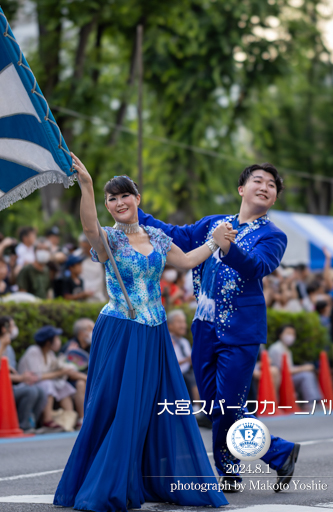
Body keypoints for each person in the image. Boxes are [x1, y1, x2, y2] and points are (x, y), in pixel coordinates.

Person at [54, 156, 231, 510]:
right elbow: (90, 228)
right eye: (111, 199)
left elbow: (187, 261)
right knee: (118, 406)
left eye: (124, 196)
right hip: (121, 328)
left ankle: (148, 479)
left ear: (138, 199)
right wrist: (86, 185)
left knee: (155, 407)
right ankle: (105, 483)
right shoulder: (108, 239)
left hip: (154, 331)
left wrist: (213, 243)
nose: (118, 203)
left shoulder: (157, 237)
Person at [138, 162, 301, 492]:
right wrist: (135, 213)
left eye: (271, 185)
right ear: (242, 189)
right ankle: (260, 460)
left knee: (226, 405)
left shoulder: (273, 235)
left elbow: (257, 267)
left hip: (241, 331)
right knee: (215, 408)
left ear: (273, 199)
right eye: (258, 181)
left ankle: (251, 462)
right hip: (204, 327)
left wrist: (226, 246)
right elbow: (177, 236)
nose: (265, 187)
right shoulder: (214, 223)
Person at [0, 317, 47, 431]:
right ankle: (23, 425)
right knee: (30, 391)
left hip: (10, 386)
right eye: (12, 325)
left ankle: (32, 423)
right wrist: (21, 378)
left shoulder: (9, 346)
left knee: (41, 391)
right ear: (4, 329)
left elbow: (12, 372)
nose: (15, 329)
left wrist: (24, 377)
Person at [19, 326, 85, 430]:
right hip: (28, 384)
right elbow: (36, 377)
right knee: (48, 384)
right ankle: (47, 420)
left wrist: (68, 356)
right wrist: (60, 372)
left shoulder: (50, 353)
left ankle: (70, 419)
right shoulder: (33, 351)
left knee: (64, 386)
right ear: (48, 342)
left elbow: (58, 367)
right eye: (56, 338)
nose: (59, 341)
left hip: (40, 383)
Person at [267, 325, 323, 407]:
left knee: (307, 374)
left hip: (286, 377)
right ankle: (312, 402)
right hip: (280, 379)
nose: (291, 336)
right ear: (280, 334)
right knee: (306, 375)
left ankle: (314, 401)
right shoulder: (276, 348)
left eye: (293, 334)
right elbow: (284, 370)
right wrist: (303, 368)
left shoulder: (286, 349)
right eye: (288, 333)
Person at [167, 309, 199, 400]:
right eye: (179, 322)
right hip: (176, 375)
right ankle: (196, 406)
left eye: (184, 322)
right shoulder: (168, 340)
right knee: (190, 379)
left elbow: (190, 362)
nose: (183, 326)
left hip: (187, 372)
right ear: (170, 325)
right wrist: (187, 360)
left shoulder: (184, 342)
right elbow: (168, 363)